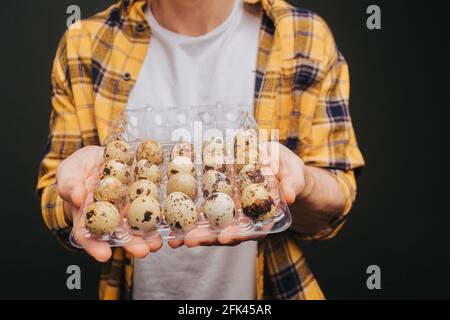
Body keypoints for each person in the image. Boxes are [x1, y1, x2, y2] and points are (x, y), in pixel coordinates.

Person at [37, 0, 364, 300]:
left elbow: (337, 198)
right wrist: (75, 199)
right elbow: (53, 198)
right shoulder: (85, 44)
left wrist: (301, 182)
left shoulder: (304, 37)